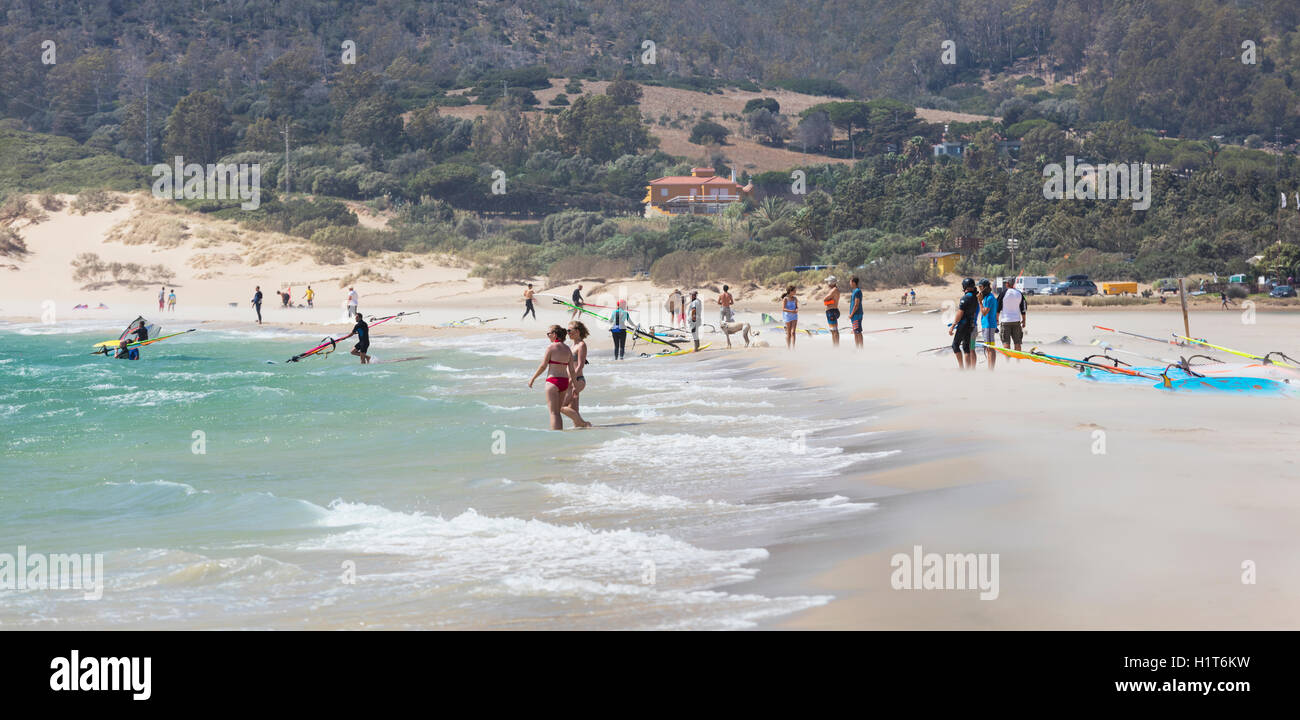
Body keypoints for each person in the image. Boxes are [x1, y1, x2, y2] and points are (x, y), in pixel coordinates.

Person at [528, 325, 578, 430]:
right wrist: (575, 385)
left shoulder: (551, 347)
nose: (548, 336)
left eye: (548, 334)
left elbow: (543, 366)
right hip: (564, 382)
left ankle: (556, 436)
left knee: (553, 413)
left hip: (553, 381)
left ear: (555, 334)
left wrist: (533, 378)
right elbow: (572, 370)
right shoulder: (568, 349)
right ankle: (560, 436)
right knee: (557, 412)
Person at [561, 321, 592, 428]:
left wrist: (571, 380)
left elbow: (580, 365)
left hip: (577, 380)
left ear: (577, 331)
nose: (567, 333)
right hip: (570, 380)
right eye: (566, 331)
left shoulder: (581, 345)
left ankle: (584, 423)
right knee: (574, 409)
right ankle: (580, 431)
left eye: (569, 330)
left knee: (560, 406)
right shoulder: (571, 345)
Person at [949, 278, 978, 369]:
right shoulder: (975, 297)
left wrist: (953, 325)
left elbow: (960, 313)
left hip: (963, 325)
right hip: (971, 325)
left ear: (965, 286)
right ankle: (968, 369)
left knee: (955, 345)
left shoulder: (966, 297)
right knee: (966, 348)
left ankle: (961, 368)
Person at [996, 277, 1026, 352]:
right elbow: (1023, 309)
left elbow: (998, 308)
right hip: (1016, 321)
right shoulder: (1019, 293)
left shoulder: (1003, 293)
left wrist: (996, 319)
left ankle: (1008, 361)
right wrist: (1024, 320)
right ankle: (1018, 361)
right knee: (1017, 343)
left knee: (1006, 342)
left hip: (1005, 321)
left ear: (1007, 284)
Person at [978, 279, 998, 370]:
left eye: (980, 287)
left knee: (990, 347)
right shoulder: (986, 297)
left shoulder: (990, 298)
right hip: (986, 325)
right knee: (987, 347)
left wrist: (980, 302)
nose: (979, 289)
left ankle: (991, 369)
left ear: (985, 287)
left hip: (989, 325)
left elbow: (984, 312)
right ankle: (990, 367)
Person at [821, 276, 841, 347]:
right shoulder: (835, 290)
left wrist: (827, 301)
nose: (827, 284)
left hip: (831, 311)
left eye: (828, 282)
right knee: (833, 330)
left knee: (834, 330)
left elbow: (825, 299)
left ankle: (836, 346)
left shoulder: (833, 290)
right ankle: (835, 346)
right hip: (833, 310)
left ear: (831, 283)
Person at [781, 285, 798, 349]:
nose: (795, 292)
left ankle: (793, 348)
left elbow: (796, 306)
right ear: (790, 291)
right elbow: (783, 309)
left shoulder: (795, 298)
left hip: (794, 316)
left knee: (793, 332)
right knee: (789, 333)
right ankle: (788, 348)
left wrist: (796, 309)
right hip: (787, 316)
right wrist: (791, 311)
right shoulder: (785, 299)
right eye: (794, 291)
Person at [848, 276, 864, 349]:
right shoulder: (854, 291)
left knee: (858, 332)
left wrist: (851, 314)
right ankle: (857, 347)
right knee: (855, 332)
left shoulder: (857, 291)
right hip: (854, 315)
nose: (849, 283)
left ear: (854, 283)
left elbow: (856, 304)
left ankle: (860, 348)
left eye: (850, 282)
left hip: (856, 315)